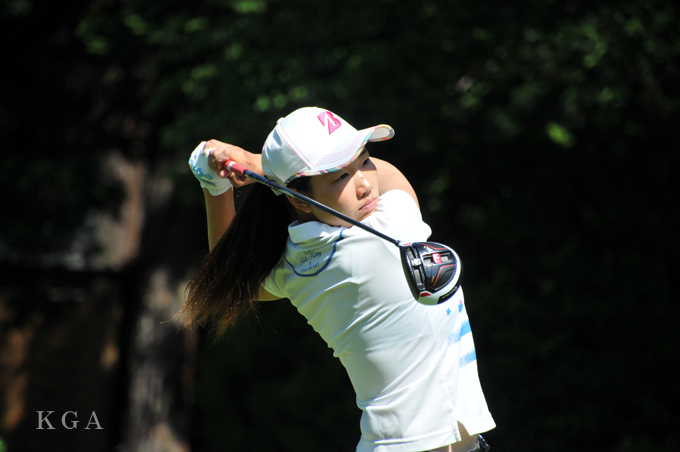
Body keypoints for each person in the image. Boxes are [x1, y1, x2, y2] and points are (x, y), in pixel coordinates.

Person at [182, 107, 496, 452]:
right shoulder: (391, 223)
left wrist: (215, 186)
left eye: (364, 161)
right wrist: (255, 163)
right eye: (341, 176)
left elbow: (232, 275)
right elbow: (391, 176)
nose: (365, 185)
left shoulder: (297, 267)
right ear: (298, 200)